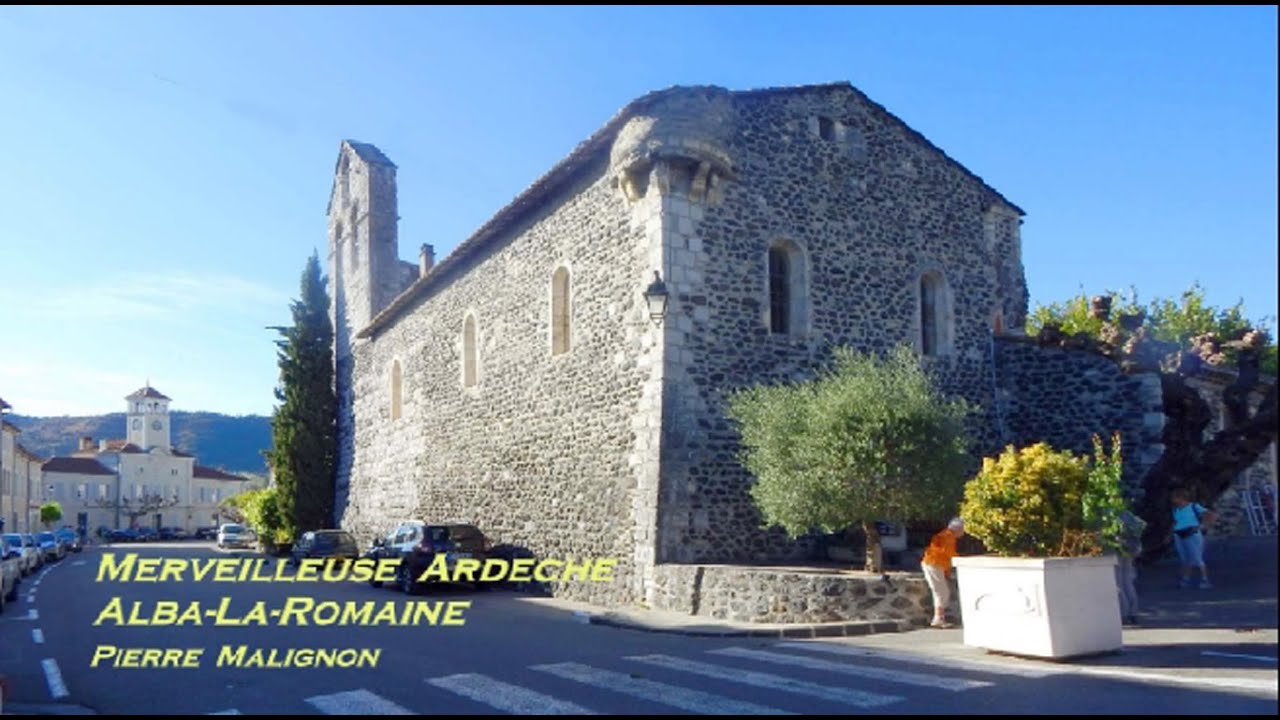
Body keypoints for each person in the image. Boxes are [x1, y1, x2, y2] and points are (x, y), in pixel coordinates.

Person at [921, 517, 965, 628]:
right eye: (963, 529)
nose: (963, 532)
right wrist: (961, 561)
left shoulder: (947, 535)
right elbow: (950, 554)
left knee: (941, 592)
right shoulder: (948, 537)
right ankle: (938, 619)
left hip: (934, 565)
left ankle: (939, 618)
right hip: (933, 564)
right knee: (942, 592)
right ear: (958, 529)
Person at [1170, 488, 1217, 589]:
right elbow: (1176, 521)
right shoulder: (1176, 509)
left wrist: (1202, 526)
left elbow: (1210, 515)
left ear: (1181, 498)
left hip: (1192, 534)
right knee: (1185, 558)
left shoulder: (1193, 506)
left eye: (1175, 498)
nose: (1173, 500)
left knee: (1196, 557)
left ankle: (1204, 579)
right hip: (1179, 534)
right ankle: (1185, 579)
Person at [1115, 508, 1147, 624]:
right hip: (1130, 549)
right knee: (1127, 582)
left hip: (1116, 550)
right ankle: (1133, 612)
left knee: (1118, 583)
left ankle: (1124, 613)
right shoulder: (1126, 513)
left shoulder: (1107, 514)